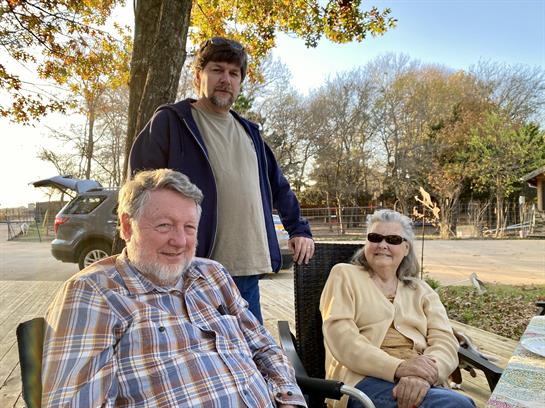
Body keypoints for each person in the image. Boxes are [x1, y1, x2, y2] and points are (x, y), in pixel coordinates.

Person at [41, 169, 306, 408]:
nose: (179, 241)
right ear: (126, 226)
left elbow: (264, 347)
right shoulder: (93, 293)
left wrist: (288, 398)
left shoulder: (213, 274)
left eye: (189, 227)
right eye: (164, 225)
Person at [128, 36, 314, 324]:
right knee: (197, 362)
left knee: (249, 358)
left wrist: (299, 229)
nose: (225, 79)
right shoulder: (171, 122)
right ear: (198, 76)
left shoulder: (250, 133)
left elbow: (280, 186)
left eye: (233, 73)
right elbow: (138, 189)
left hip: (247, 271)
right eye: (217, 70)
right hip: (192, 270)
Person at [320, 209, 475, 408]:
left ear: (406, 248)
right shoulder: (344, 275)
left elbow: (445, 340)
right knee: (455, 405)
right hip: (361, 382)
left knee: (456, 403)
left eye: (393, 239)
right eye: (375, 237)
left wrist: (425, 375)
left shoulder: (421, 290)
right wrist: (399, 368)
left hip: (422, 380)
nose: (382, 245)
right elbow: (342, 339)